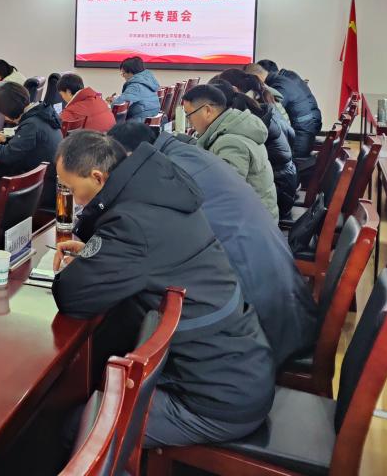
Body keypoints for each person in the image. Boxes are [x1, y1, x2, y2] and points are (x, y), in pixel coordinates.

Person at [52, 131, 275, 448]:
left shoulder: (132, 223)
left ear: (98, 177)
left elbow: (72, 295)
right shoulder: (159, 193)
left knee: (75, 427)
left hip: (214, 402)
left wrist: (93, 258)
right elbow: (147, 257)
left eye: (73, 189)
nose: (74, 201)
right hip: (240, 367)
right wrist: (98, 253)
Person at [108, 122, 317, 367]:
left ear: (131, 156)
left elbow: (145, 239)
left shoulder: (168, 173)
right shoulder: (187, 153)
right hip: (283, 301)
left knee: (131, 305)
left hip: (256, 330)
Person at [181, 84, 278, 218]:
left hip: (250, 224)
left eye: (189, 115)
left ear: (207, 111)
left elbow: (223, 194)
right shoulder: (234, 126)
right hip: (253, 217)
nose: (189, 121)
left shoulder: (230, 143)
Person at [213, 74, 297, 218]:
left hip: (278, 195)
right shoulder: (254, 111)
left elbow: (227, 189)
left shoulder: (238, 130)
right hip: (284, 186)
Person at [0, 82, 61, 176]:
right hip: (46, 175)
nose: (4, 117)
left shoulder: (31, 125)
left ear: (9, 108)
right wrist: (7, 139)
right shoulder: (44, 114)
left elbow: (7, 155)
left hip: (37, 180)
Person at [255, 59, 323, 157]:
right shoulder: (289, 76)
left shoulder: (280, 86)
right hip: (309, 127)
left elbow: (272, 112)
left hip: (302, 137)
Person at [106, 56, 160, 121]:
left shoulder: (135, 86)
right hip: (148, 118)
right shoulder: (147, 80)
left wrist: (112, 102)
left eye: (123, 73)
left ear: (131, 72)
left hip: (138, 121)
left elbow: (118, 105)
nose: (123, 76)